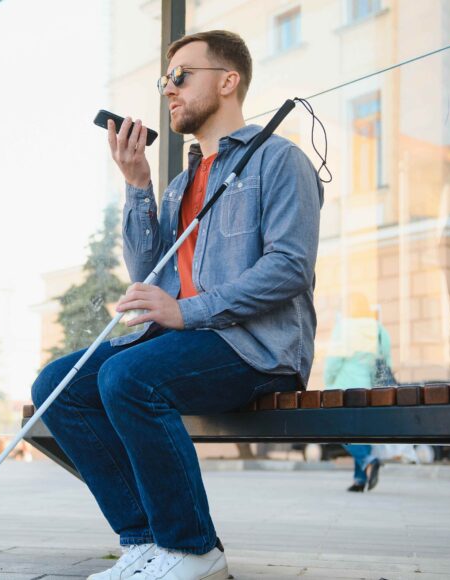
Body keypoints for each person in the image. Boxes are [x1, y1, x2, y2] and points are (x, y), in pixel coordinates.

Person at [31, 30, 323, 580]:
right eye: (165, 79)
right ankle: (146, 541)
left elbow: (289, 268)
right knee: (57, 386)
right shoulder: (179, 184)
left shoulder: (279, 161)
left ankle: (194, 549)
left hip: (256, 348)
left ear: (228, 81)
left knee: (129, 378)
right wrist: (136, 183)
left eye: (182, 76)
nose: (169, 89)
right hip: (188, 342)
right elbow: (150, 273)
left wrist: (185, 312)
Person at [324, 294, 393, 493]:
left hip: (343, 388)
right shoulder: (379, 330)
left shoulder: (344, 328)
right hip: (367, 389)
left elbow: (333, 361)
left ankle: (368, 460)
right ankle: (360, 479)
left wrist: (328, 381)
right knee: (360, 433)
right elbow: (386, 362)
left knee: (340, 431)